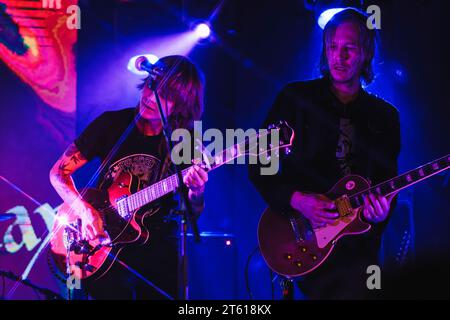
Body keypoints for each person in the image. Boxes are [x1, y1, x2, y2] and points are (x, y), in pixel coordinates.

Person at [249, 8, 400, 299]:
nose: (339, 57)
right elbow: (259, 163)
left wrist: (381, 212)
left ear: (366, 53)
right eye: (333, 47)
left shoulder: (385, 117)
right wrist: (298, 199)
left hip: (356, 253)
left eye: (349, 48)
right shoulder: (294, 99)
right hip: (299, 238)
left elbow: (387, 181)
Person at [49, 55, 208, 300]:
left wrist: (197, 192)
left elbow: (192, 214)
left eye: (164, 95)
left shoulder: (185, 142)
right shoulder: (111, 123)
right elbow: (58, 172)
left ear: (181, 105)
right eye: (149, 86)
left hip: (157, 251)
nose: (149, 97)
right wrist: (85, 211)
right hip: (103, 246)